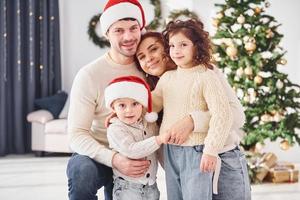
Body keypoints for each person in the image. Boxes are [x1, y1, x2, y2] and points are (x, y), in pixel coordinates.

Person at [135, 31, 251, 200]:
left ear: (166, 47)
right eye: (142, 56)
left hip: (222, 157)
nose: (149, 58)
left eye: (154, 49)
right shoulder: (162, 84)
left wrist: (192, 121)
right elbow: (150, 105)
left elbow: (236, 115)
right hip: (181, 162)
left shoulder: (205, 73)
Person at [66, 1, 150, 200]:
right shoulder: (89, 75)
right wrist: (114, 159)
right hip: (98, 154)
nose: (128, 37)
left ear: (141, 29)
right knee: (81, 171)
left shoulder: (150, 68)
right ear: (106, 34)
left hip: (135, 153)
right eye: (119, 30)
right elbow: (77, 134)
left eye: (133, 28)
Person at [104, 75, 169, 200]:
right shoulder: (116, 128)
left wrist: (170, 170)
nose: (129, 110)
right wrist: (159, 139)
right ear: (113, 108)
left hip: (151, 186)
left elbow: (159, 151)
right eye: (122, 105)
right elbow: (131, 150)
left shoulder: (149, 124)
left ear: (142, 105)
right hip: (128, 188)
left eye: (135, 104)